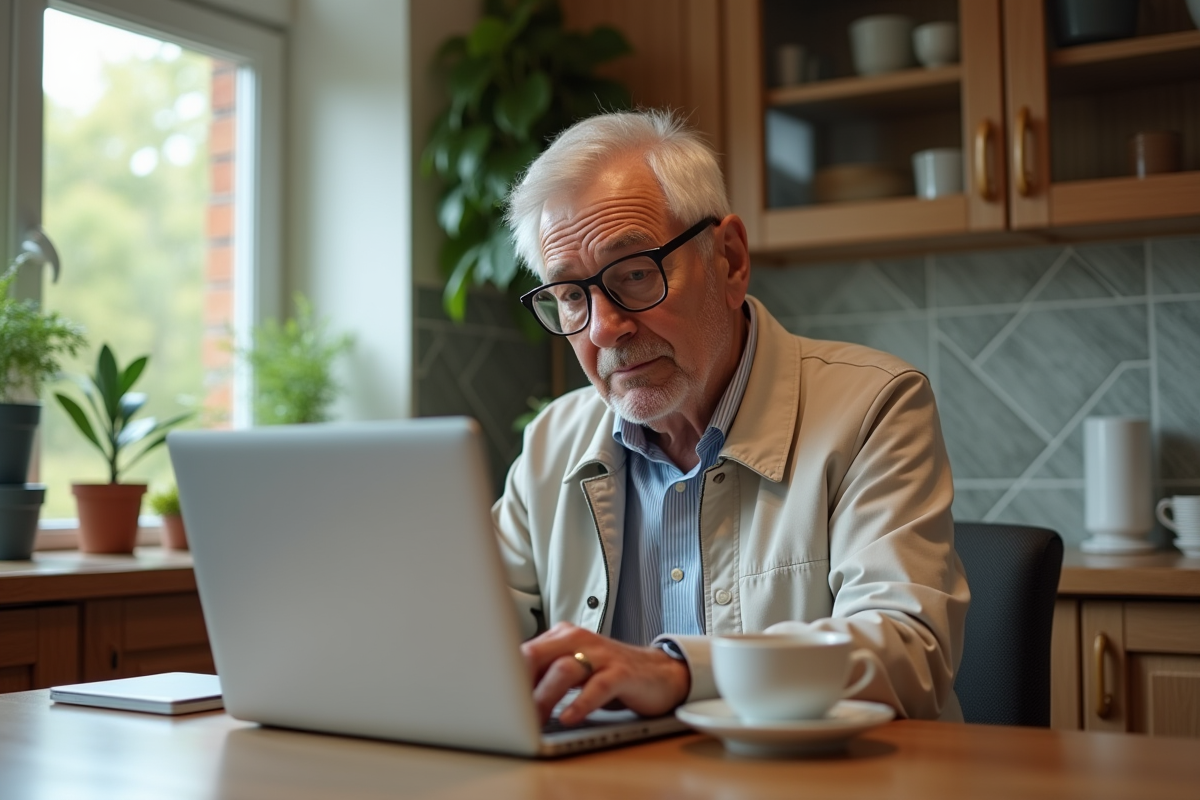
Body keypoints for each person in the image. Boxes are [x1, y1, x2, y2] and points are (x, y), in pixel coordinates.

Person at [494, 109, 969, 728]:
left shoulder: (875, 407)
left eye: (635, 274)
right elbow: (465, 633)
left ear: (730, 260)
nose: (606, 328)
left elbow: (910, 651)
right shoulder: (551, 442)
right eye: (572, 296)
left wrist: (681, 673)